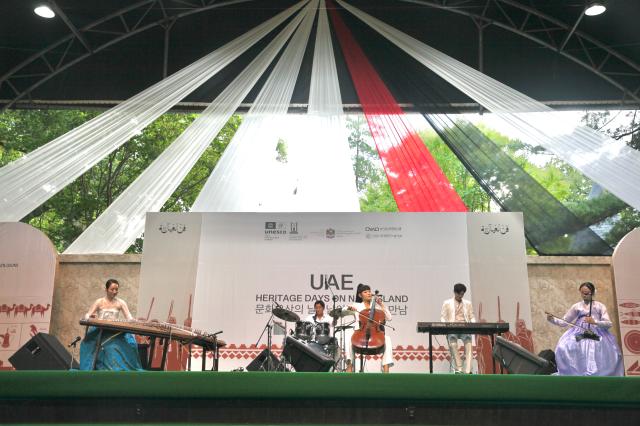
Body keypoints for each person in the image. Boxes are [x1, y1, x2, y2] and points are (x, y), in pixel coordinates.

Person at [546, 282, 623, 376]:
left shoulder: (599, 306)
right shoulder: (576, 306)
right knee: (565, 345)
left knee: (601, 348)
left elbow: (608, 323)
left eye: (587, 293)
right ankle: (574, 373)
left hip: (596, 332)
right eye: (582, 293)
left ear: (593, 293)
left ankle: (599, 373)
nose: (584, 296)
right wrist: (552, 319)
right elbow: (564, 321)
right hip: (579, 331)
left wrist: (595, 322)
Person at [79, 279, 143, 371]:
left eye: (116, 289)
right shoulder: (99, 302)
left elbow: (129, 317)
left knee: (130, 344)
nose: (115, 292)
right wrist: (90, 317)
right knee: (87, 343)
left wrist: (134, 320)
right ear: (106, 289)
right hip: (100, 330)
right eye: (112, 289)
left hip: (114, 331)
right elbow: (87, 315)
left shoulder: (121, 302)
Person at [345, 284, 393, 373]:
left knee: (388, 339)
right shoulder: (357, 306)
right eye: (365, 292)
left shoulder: (377, 307)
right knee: (349, 339)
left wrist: (382, 304)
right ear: (360, 295)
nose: (368, 293)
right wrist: (348, 308)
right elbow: (342, 311)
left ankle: (386, 368)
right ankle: (349, 366)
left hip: (375, 334)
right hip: (360, 334)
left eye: (369, 291)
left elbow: (389, 318)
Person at [440, 283, 475, 374]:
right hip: (452, 327)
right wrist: (445, 326)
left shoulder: (468, 304)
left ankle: (468, 370)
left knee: (469, 345)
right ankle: (459, 368)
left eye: (462, 294)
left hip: (465, 327)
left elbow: (472, 316)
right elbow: (443, 317)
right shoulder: (447, 303)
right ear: (455, 292)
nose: (461, 296)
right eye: (459, 294)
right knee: (453, 344)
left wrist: (474, 325)